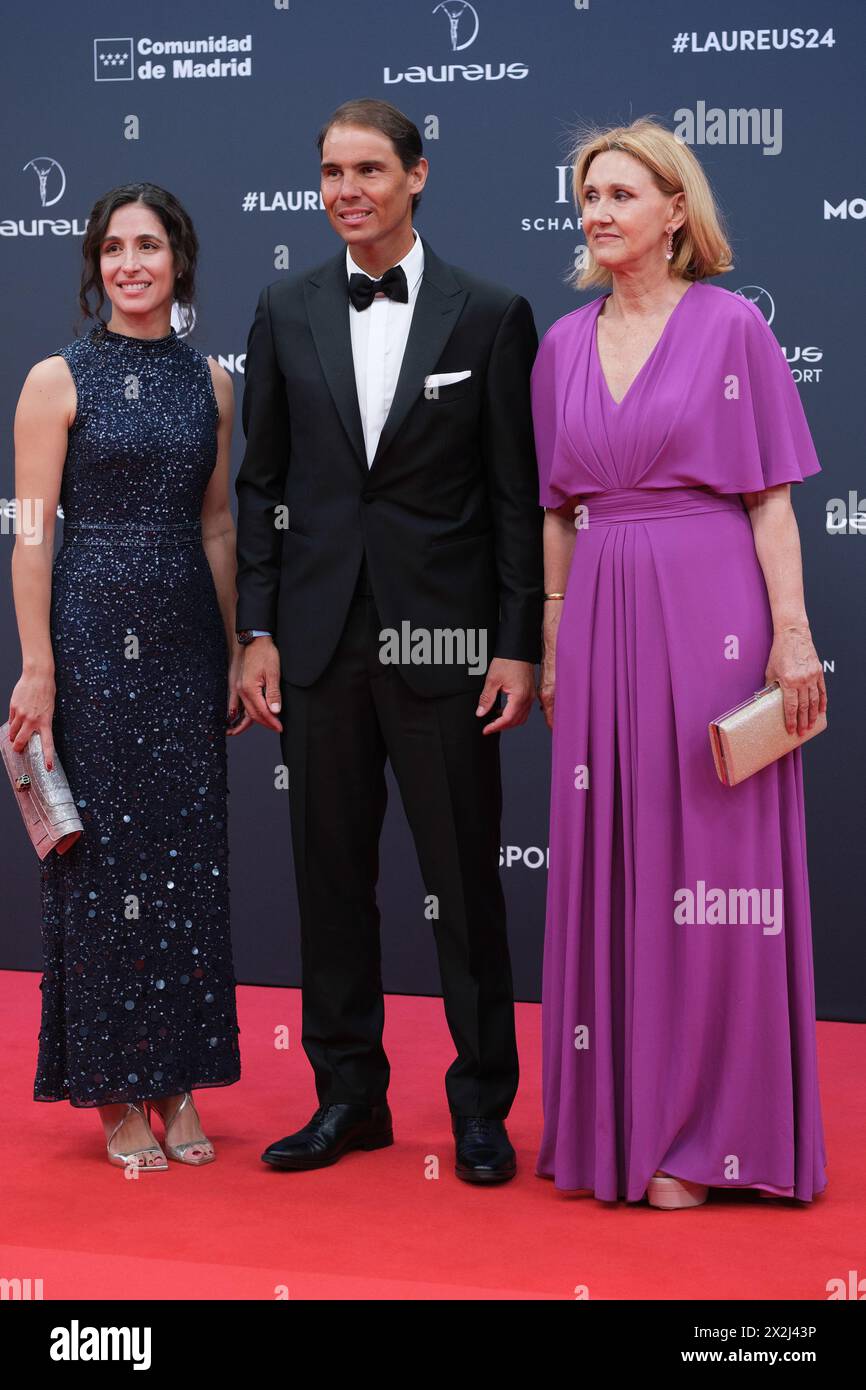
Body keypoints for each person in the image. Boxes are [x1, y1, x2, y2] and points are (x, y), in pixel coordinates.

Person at [235, 99, 542, 1182]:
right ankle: (349, 1097)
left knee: (465, 877)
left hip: (443, 639)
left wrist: (517, 645)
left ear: (416, 175)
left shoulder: (491, 313)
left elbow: (515, 498)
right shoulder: (281, 306)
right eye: (329, 171)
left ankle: (479, 1105)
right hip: (316, 638)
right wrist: (256, 629)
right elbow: (259, 482)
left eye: (368, 167)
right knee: (329, 877)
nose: (345, 189)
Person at [532, 119, 828, 1209]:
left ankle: (712, 1134)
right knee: (620, 860)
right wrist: (557, 635)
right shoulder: (560, 345)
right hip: (603, 614)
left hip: (710, 606)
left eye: (618, 193)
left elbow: (770, 501)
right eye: (586, 196)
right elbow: (556, 514)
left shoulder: (730, 328)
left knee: (713, 871)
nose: (597, 212)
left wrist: (789, 633)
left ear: (672, 209)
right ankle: (628, 1117)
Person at [9, 182, 243, 1169]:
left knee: (184, 873)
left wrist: (233, 650)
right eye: (114, 248)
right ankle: (112, 1088)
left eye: (149, 246)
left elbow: (220, 524)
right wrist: (39, 667)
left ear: (177, 260)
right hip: (93, 631)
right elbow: (28, 537)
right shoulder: (54, 378)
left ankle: (176, 1081)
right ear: (96, 265)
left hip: (186, 642)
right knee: (103, 866)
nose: (131, 264)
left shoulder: (211, 383)